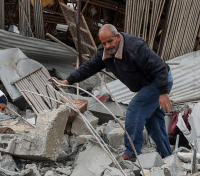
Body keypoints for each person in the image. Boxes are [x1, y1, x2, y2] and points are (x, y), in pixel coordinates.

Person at [56, 24, 173, 161]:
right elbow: (89, 67)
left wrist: (163, 93)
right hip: (146, 85)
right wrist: (68, 81)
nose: (107, 46)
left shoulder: (135, 47)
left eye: (110, 41)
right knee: (153, 121)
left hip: (158, 81)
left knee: (135, 109)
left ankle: (131, 152)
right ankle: (167, 156)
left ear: (117, 37)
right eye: (104, 43)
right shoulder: (104, 53)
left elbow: (159, 67)